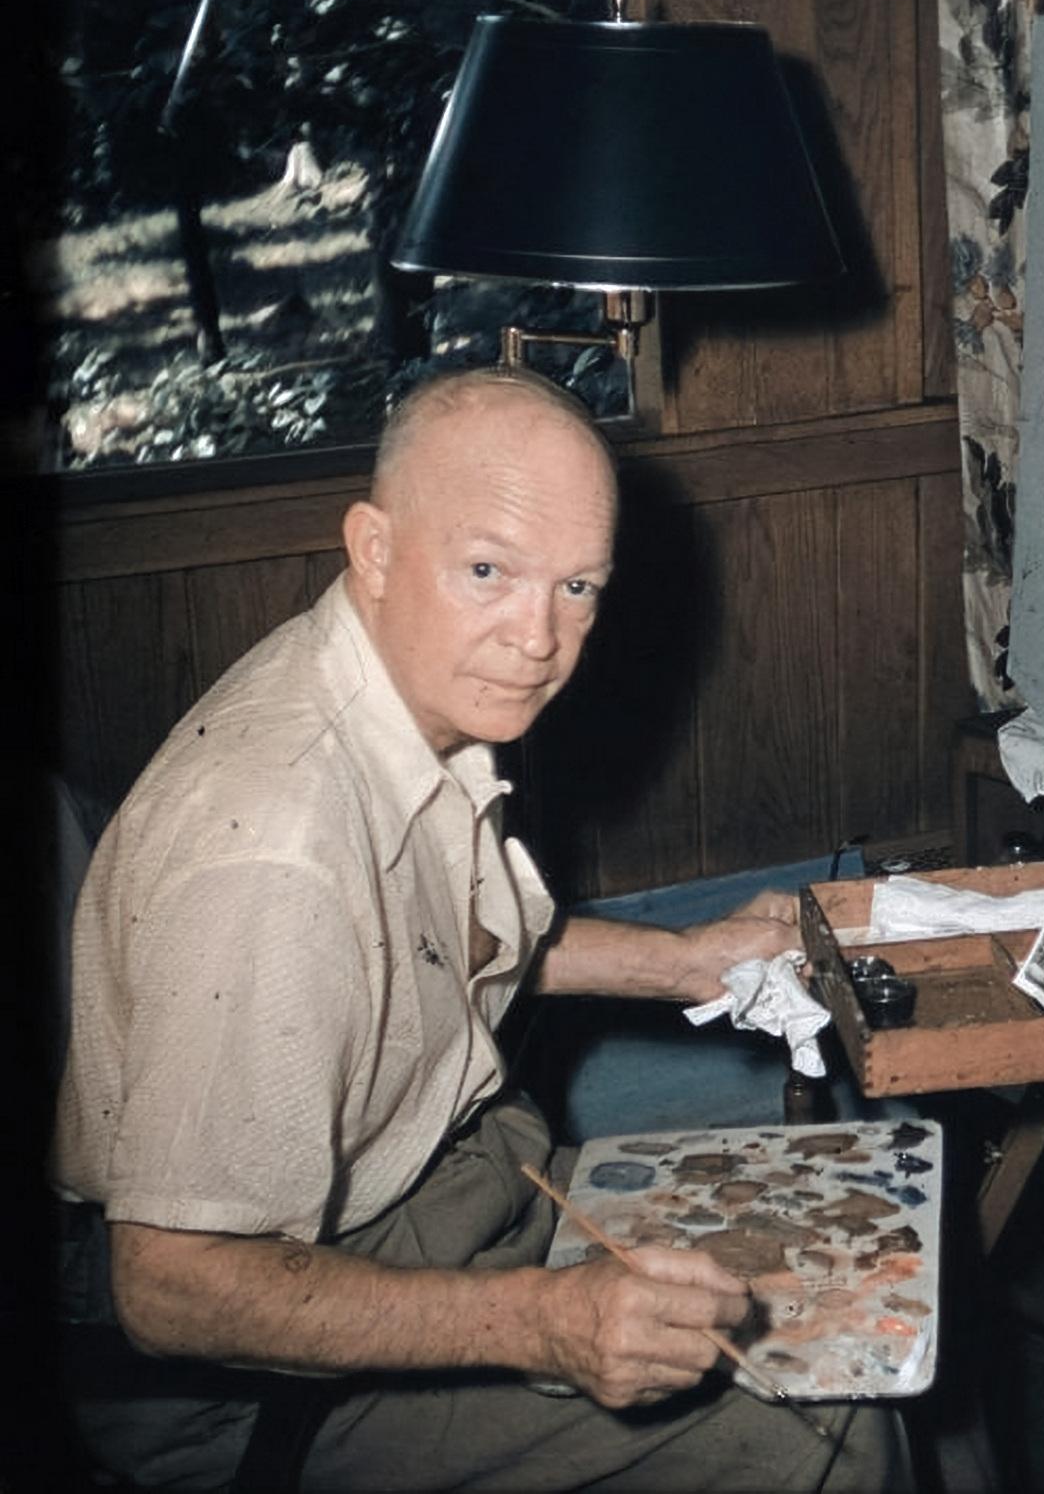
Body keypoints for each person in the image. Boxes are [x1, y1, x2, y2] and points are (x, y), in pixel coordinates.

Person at [50, 368, 903, 1491]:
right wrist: (541, 1323)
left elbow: (446, 940)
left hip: (453, 1177)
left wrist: (688, 959)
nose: (538, 639)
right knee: (820, 1416)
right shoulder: (271, 852)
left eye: (578, 587)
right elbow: (171, 1287)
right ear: (375, 547)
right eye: (489, 572)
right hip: (233, 1372)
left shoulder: (407, 691)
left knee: (880, 1301)